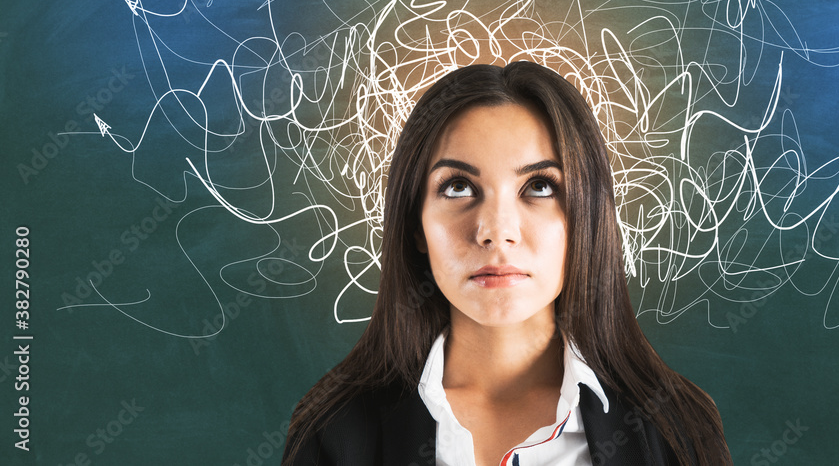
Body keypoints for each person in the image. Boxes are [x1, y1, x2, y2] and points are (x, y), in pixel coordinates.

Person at [282, 62, 731, 466]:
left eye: (539, 186)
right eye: (457, 187)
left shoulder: (677, 430)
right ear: (415, 224)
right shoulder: (334, 431)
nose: (496, 231)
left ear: (587, 218)